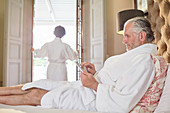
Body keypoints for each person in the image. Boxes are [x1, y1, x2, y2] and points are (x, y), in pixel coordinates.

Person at [0, 17, 167, 113]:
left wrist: (94, 85)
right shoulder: (135, 57)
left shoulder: (145, 62)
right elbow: (116, 80)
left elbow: (122, 101)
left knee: (37, 94)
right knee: (38, 84)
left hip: (90, 97)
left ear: (142, 36)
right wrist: (95, 75)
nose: (123, 40)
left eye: (127, 36)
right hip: (83, 86)